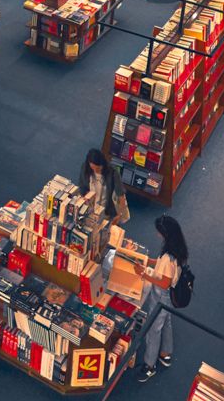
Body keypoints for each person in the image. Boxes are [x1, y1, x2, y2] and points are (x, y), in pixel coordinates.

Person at [135, 215, 189, 382]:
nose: (157, 234)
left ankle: (149, 365)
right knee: (166, 322)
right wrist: (147, 261)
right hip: (170, 297)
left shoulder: (168, 257)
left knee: (153, 330)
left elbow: (164, 282)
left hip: (161, 297)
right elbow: (160, 265)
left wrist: (143, 274)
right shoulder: (177, 249)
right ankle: (165, 353)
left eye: (159, 232)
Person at [79, 147, 129, 226]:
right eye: (93, 168)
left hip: (107, 210)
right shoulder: (85, 168)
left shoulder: (113, 173)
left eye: (98, 168)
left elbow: (121, 195)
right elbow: (82, 187)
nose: (95, 171)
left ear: (102, 164)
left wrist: (120, 214)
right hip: (90, 208)